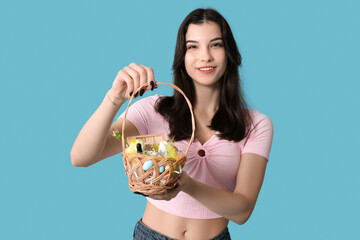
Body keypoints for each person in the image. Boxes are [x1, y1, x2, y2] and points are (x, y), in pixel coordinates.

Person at [71, 8, 273, 240]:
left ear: (229, 52)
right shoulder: (152, 111)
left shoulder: (256, 125)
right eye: (193, 46)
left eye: (215, 44)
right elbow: (81, 157)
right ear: (182, 57)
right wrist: (113, 99)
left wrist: (185, 184)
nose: (205, 56)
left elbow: (242, 210)